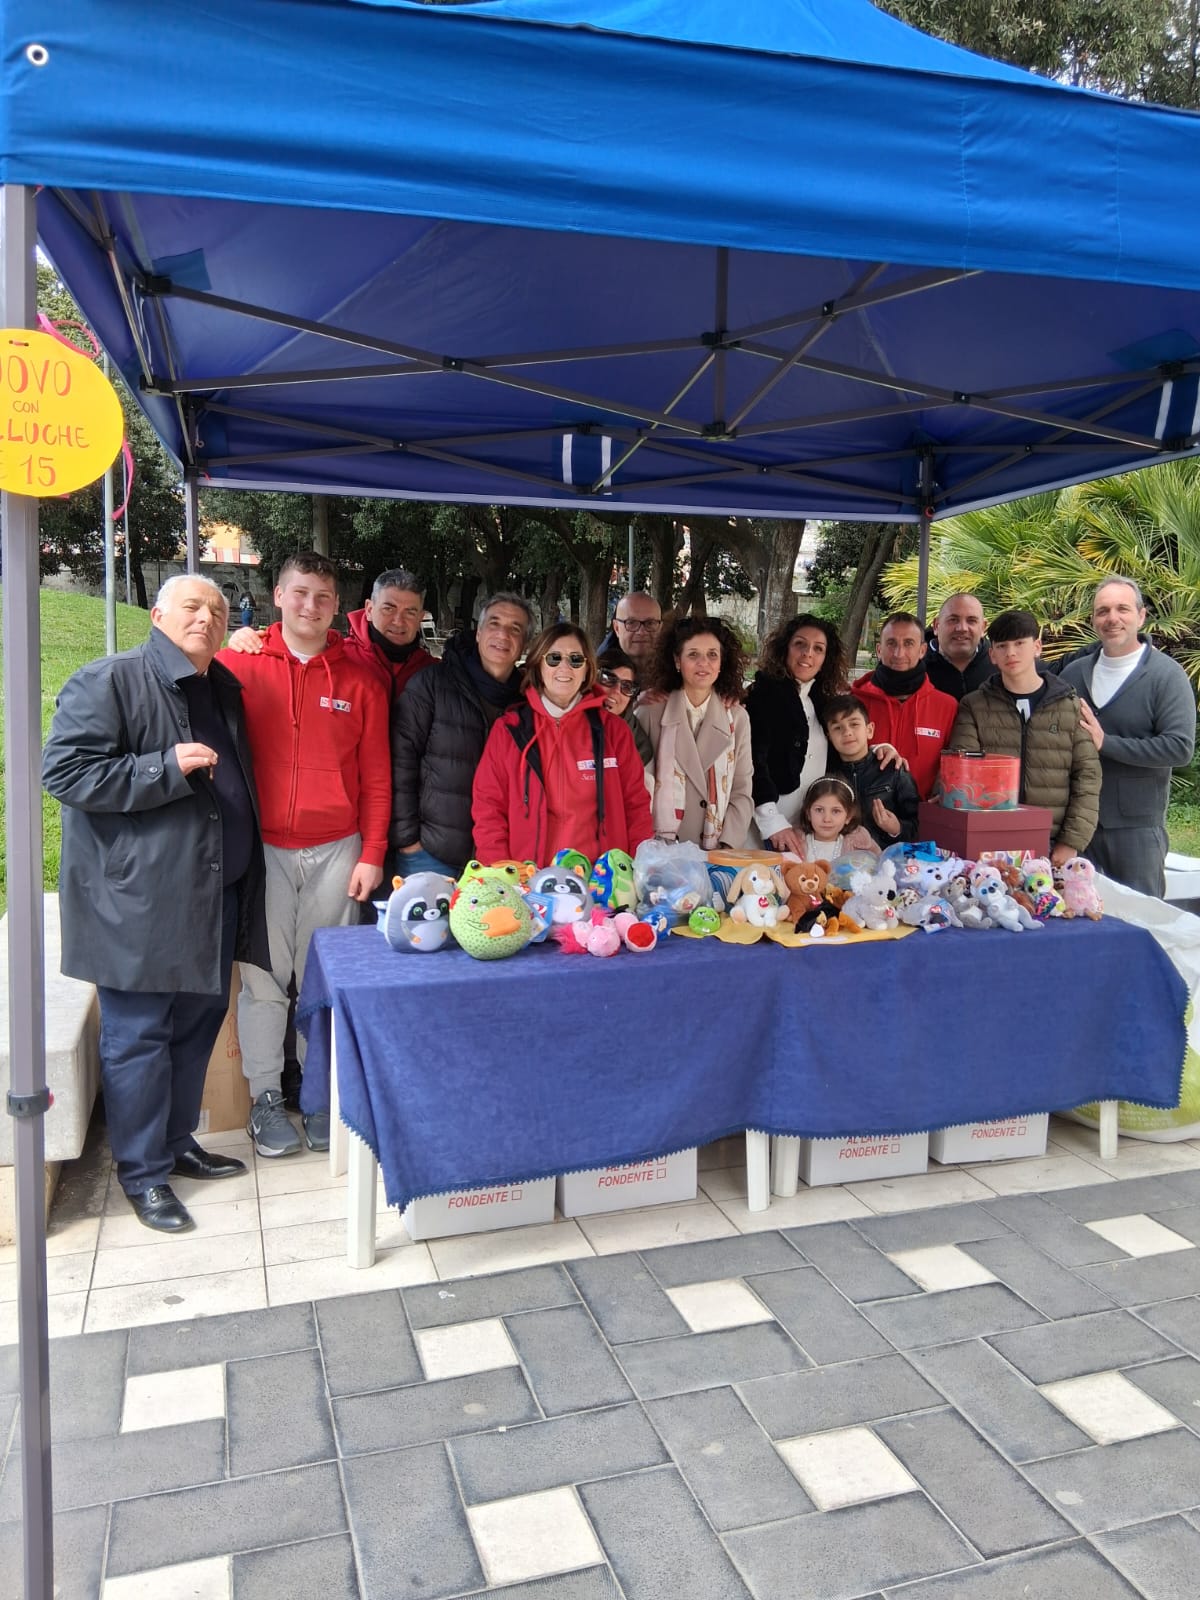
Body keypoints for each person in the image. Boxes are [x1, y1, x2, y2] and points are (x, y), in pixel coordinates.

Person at [42, 576, 270, 1234]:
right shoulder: (110, 680)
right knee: (139, 1037)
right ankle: (142, 1176)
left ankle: (175, 1146)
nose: (207, 617)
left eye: (219, 610)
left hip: (214, 891)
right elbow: (65, 771)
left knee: (198, 1026)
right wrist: (160, 767)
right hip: (139, 902)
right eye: (193, 606)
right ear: (159, 613)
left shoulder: (220, 685)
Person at [217, 551, 390, 1157]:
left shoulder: (361, 679)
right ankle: (266, 1096)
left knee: (324, 978)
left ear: (337, 605)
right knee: (266, 979)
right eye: (299, 593)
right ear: (277, 596)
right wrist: (226, 640)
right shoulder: (236, 663)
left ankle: (320, 1094)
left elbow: (375, 776)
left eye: (322, 596)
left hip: (338, 848)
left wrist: (372, 852)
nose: (310, 606)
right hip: (263, 849)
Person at [472, 624, 653, 863]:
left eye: (576, 659)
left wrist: (634, 871)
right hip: (529, 881)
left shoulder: (613, 731)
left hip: (600, 883)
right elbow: (488, 811)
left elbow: (637, 807)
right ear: (538, 664)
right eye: (554, 658)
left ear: (588, 667)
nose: (564, 667)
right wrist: (502, 874)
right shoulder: (510, 730)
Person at [1058, 579, 1195, 894]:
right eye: (1102, 611)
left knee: (1142, 920)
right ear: (1093, 620)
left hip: (1136, 828)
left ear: (1141, 616)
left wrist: (1106, 743)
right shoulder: (1073, 675)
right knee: (1075, 919)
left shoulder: (1166, 676)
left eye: (1122, 609)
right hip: (1077, 823)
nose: (1112, 618)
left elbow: (1179, 748)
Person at [391, 592, 534, 879]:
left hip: (501, 859)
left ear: (524, 646)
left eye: (515, 629)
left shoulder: (529, 701)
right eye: (494, 624)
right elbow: (399, 763)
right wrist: (408, 841)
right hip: (431, 854)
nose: (502, 635)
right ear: (478, 633)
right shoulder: (431, 685)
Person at [950, 610, 1101, 868]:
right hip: (989, 842)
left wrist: (1071, 842)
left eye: (1020, 643)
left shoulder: (1069, 705)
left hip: (1052, 842)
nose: (1011, 653)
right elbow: (964, 773)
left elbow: (1087, 776)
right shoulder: (974, 706)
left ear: (1037, 647)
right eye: (1002, 646)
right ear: (992, 655)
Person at [225, 567, 434, 702]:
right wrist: (244, 638)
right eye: (389, 608)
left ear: (422, 616)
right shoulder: (336, 656)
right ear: (369, 609)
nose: (398, 620)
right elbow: (294, 655)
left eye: (410, 612)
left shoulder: (434, 672)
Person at [636, 617, 754, 849]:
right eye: (693, 655)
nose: (704, 663)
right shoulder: (650, 712)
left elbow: (742, 789)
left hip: (715, 849)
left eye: (712, 655)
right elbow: (639, 787)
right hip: (662, 849)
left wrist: (727, 846)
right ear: (677, 661)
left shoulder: (737, 718)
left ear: (722, 663)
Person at [745, 614, 846, 853]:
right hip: (764, 826)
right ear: (785, 648)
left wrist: (882, 749)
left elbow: (847, 746)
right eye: (800, 644)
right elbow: (751, 762)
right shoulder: (760, 697)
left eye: (818, 648)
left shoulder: (825, 703)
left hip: (810, 828)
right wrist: (772, 822)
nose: (808, 653)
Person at [852, 612, 959, 798]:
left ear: (923, 650)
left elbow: (952, 770)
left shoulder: (946, 707)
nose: (898, 653)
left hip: (924, 821)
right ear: (879, 649)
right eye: (891, 643)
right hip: (861, 821)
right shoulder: (853, 702)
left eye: (908, 643)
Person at [824, 694, 920, 849]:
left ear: (869, 730)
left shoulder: (893, 769)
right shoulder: (827, 777)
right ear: (829, 737)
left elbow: (917, 824)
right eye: (837, 728)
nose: (847, 732)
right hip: (840, 863)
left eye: (854, 724)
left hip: (886, 861)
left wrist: (896, 828)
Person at [926, 593, 992, 700]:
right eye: (953, 620)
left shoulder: (1000, 665)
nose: (962, 628)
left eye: (971, 621)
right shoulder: (914, 666)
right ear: (936, 625)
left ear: (983, 628)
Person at [596, 646, 654, 765]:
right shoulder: (565, 722)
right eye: (608, 679)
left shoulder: (639, 746)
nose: (616, 690)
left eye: (627, 686)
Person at [797, 776, 877, 861]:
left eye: (836, 811)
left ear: (848, 816)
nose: (827, 819)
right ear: (808, 813)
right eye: (819, 810)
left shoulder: (861, 849)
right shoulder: (794, 844)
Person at [601, 591, 663, 664]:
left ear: (660, 628)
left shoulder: (676, 666)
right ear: (616, 628)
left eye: (650, 623)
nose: (641, 632)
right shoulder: (596, 672)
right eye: (631, 623)